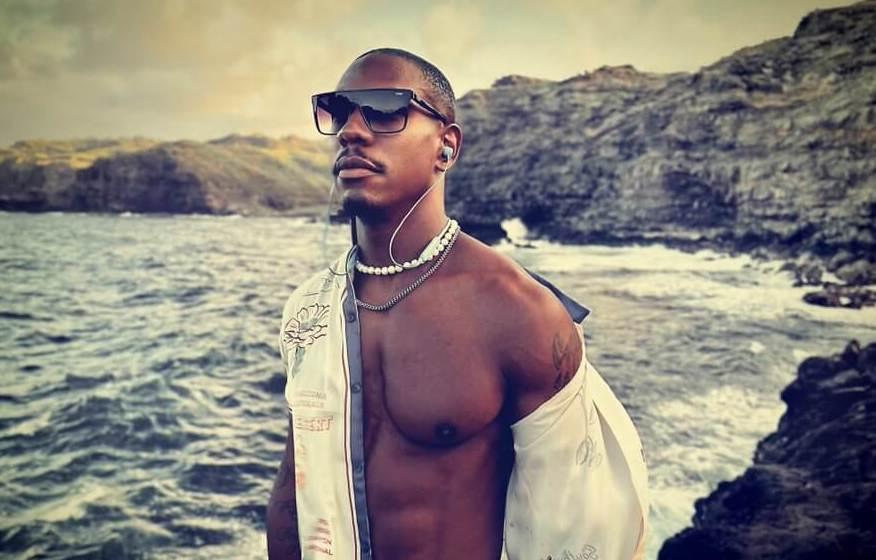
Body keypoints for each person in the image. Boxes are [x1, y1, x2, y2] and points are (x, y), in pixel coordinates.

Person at [267, 47, 649, 560]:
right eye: (338, 112)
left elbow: (581, 524)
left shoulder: (518, 313)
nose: (350, 131)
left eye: (383, 110)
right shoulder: (309, 310)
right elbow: (294, 487)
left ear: (446, 146)